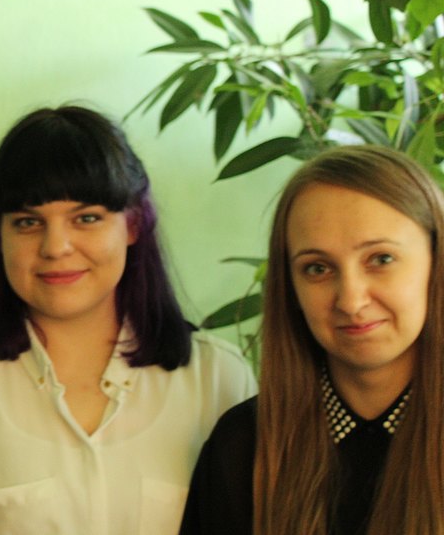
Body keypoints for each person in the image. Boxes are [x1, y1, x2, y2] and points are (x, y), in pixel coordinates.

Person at [0, 105, 256, 534]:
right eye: (28, 222)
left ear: (133, 224)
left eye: (86, 218)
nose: (55, 247)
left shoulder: (219, 379)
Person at [179, 145, 444, 535]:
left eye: (381, 259)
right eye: (317, 268)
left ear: (436, 263)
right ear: (291, 288)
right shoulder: (243, 446)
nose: (351, 301)